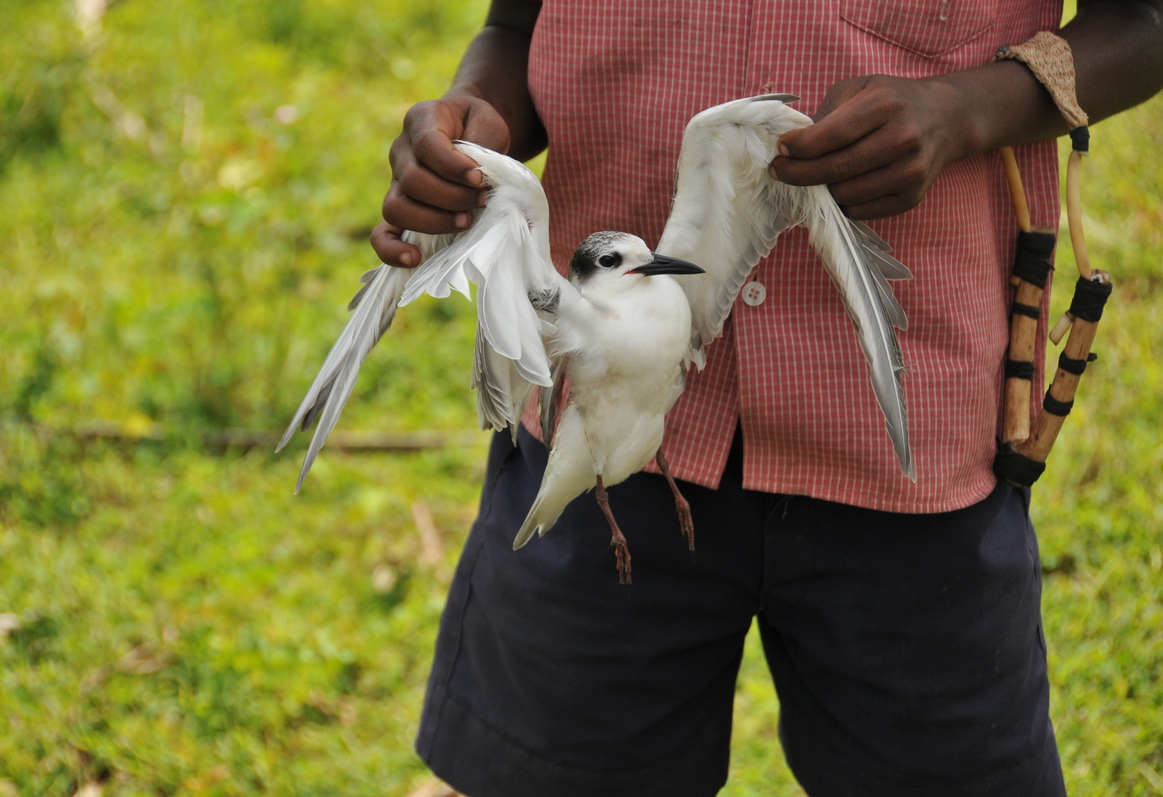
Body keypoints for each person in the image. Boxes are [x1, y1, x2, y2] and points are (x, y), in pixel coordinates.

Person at [371, 1, 1163, 795]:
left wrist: (964, 110)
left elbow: (1143, 22)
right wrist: (473, 125)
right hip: (603, 441)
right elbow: (515, 27)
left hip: (911, 446)